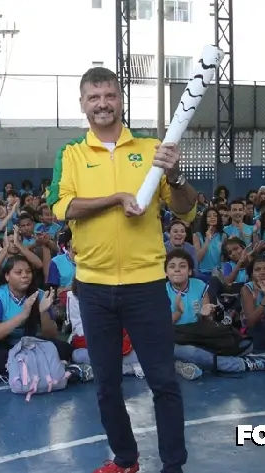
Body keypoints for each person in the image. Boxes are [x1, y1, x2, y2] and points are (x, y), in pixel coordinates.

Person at [46, 66, 198, 473]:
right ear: (82, 103)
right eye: (93, 97)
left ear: (120, 99)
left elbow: (186, 207)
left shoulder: (153, 149)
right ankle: (126, 459)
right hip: (92, 288)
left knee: (163, 381)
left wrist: (175, 173)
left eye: (109, 95)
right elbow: (61, 207)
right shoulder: (71, 155)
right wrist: (114, 198)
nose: (102, 104)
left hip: (146, 285)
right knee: (106, 385)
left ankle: (173, 466)